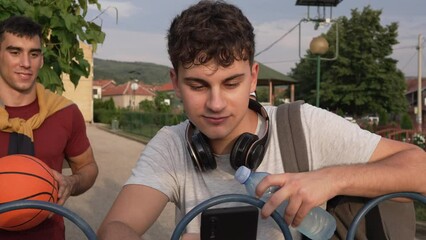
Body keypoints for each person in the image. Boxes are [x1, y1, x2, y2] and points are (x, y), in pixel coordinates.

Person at [97, 1, 426, 240]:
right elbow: (116, 227)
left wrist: (331, 179)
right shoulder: (170, 145)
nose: (215, 103)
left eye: (231, 83)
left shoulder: (303, 126)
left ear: (253, 78)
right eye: (198, 85)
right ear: (175, 81)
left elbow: (420, 168)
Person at [0, 16, 98, 239]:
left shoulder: (64, 112)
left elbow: (88, 167)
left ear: (41, 60)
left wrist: (71, 183)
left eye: (34, 54)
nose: (26, 63)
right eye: (14, 52)